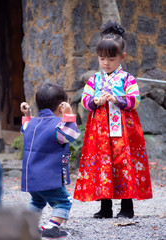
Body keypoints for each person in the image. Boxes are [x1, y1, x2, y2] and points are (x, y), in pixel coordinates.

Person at [73, 20, 152, 219]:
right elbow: (84, 100)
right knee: (102, 163)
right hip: (99, 131)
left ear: (122, 57)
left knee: (124, 162)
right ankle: (105, 207)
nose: (106, 63)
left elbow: (135, 99)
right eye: (102, 58)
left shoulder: (127, 78)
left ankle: (127, 208)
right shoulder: (95, 79)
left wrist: (117, 99)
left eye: (111, 58)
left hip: (123, 130)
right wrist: (95, 101)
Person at [20, 83, 80, 239]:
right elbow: (71, 134)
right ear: (61, 106)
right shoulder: (57, 126)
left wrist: (27, 114)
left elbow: (24, 127)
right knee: (63, 201)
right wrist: (69, 114)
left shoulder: (31, 123)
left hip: (31, 178)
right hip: (49, 178)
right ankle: (52, 228)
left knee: (37, 201)